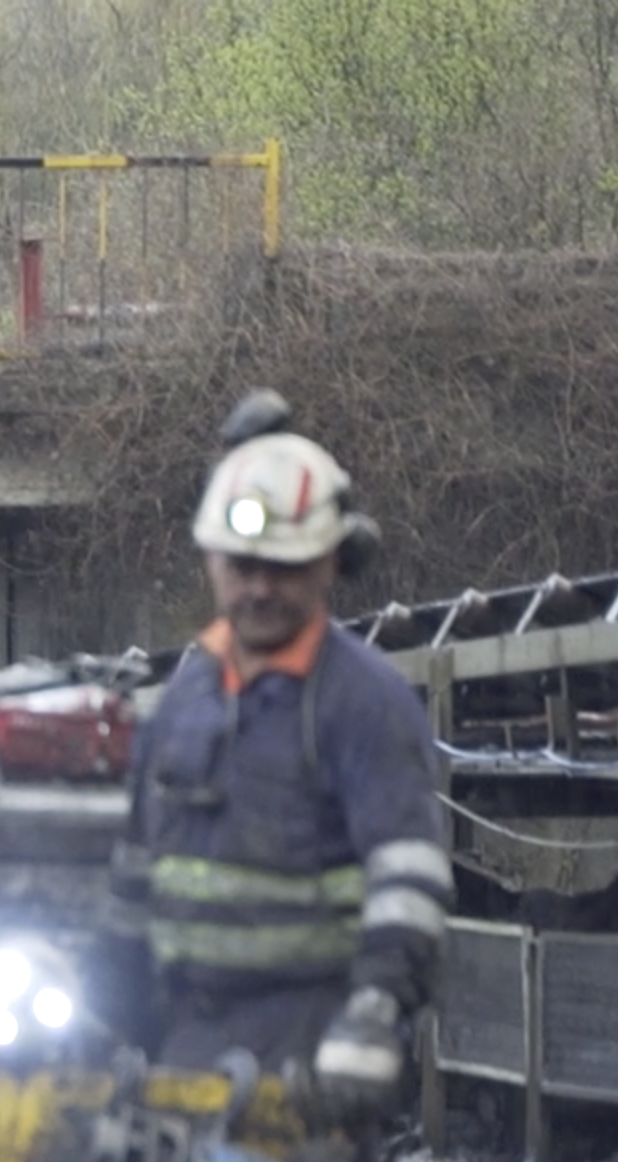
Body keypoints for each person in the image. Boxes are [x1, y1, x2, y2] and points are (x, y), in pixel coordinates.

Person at [112, 396, 447, 1120]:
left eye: (285, 567)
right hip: (185, 1041)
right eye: (243, 564)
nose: (260, 586)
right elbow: (135, 874)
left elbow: (407, 876)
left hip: (308, 1050)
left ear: (331, 563)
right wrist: (109, 1012)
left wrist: (374, 1007)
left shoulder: (363, 702)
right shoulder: (184, 701)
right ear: (211, 559)